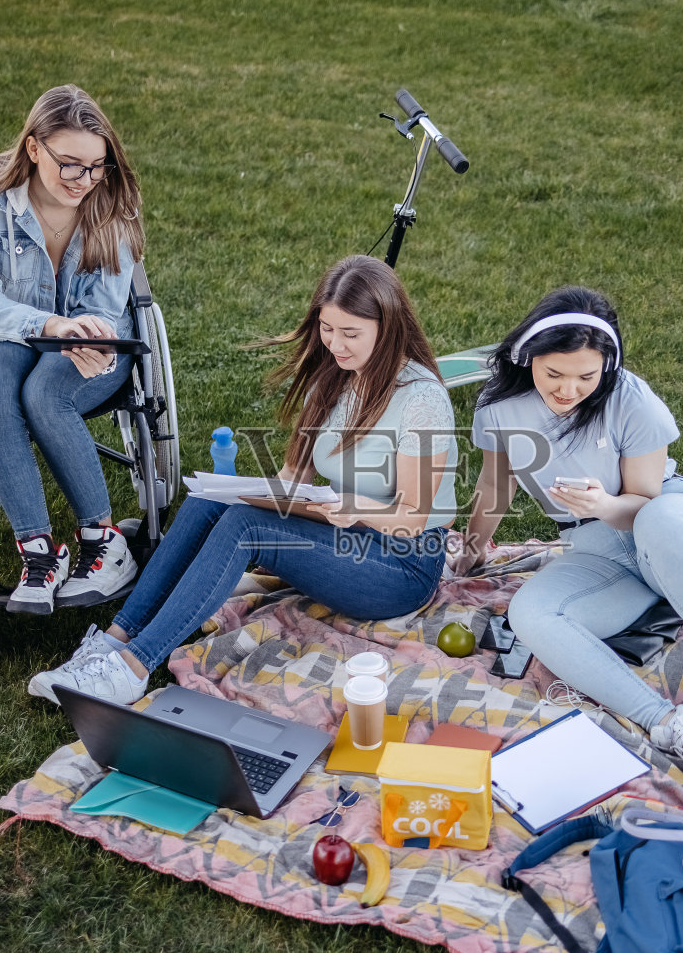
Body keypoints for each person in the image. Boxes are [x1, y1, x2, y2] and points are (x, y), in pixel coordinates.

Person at [29, 254, 458, 706]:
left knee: (244, 527)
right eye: (327, 329)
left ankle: (133, 668)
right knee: (208, 501)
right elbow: (293, 477)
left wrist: (353, 509)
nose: (335, 344)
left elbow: (413, 518)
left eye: (351, 333)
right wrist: (241, 493)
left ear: (387, 327)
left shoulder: (421, 398)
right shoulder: (333, 379)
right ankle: (114, 642)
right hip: (340, 532)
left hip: (403, 565)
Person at [452, 286, 683, 790]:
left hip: (674, 525)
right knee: (530, 613)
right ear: (528, 358)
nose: (569, 390)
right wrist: (473, 553)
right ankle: (672, 725)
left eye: (586, 376)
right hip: (599, 551)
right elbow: (494, 486)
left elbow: (645, 502)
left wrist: (605, 506)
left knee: (658, 521)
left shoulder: (632, 400)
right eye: (554, 375)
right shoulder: (499, 407)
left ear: (606, 365)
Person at [0, 84, 145, 615]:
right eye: (70, 164)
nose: (85, 180)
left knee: (43, 395)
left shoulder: (112, 202)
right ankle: (39, 552)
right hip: (6, 330)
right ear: (33, 148)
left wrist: (90, 338)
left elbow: (107, 305)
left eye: (96, 166)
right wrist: (50, 324)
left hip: (92, 342)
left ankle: (104, 543)